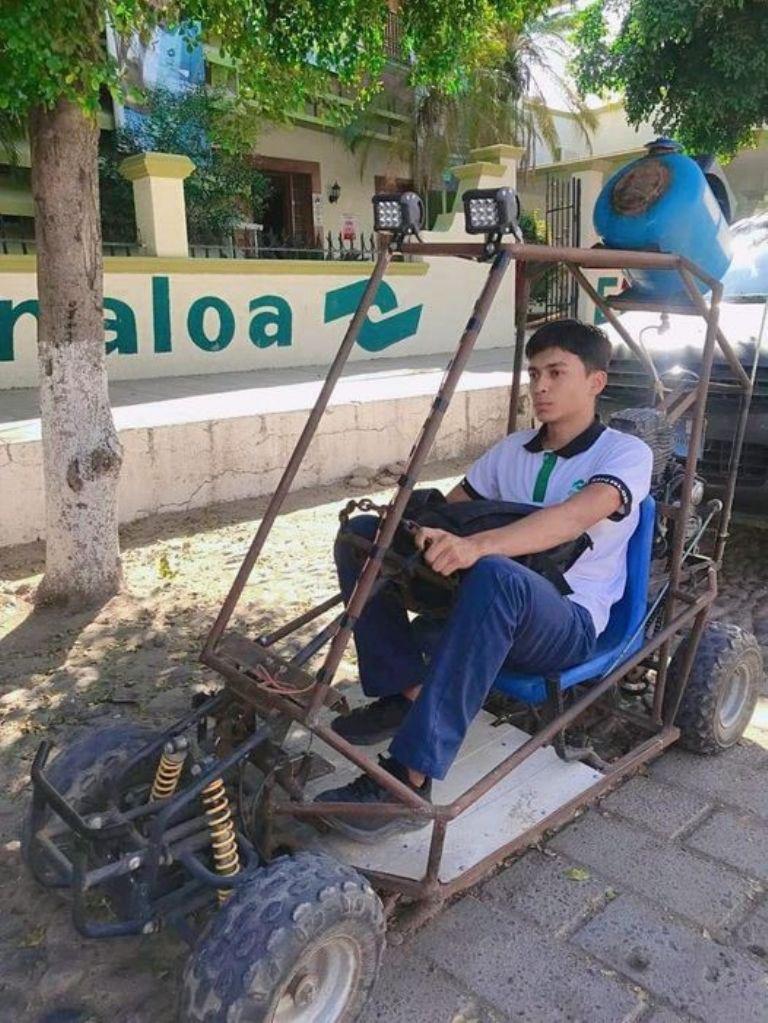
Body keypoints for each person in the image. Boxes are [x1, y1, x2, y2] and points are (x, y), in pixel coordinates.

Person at [315, 318, 653, 841]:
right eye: (535, 373)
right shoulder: (512, 449)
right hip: (487, 602)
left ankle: (409, 778)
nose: (539, 386)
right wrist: (412, 531)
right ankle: (406, 690)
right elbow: (454, 510)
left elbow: (573, 517)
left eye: (556, 373)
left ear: (595, 382)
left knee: (497, 574)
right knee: (363, 534)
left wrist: (478, 547)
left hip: (567, 619)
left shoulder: (624, 455)